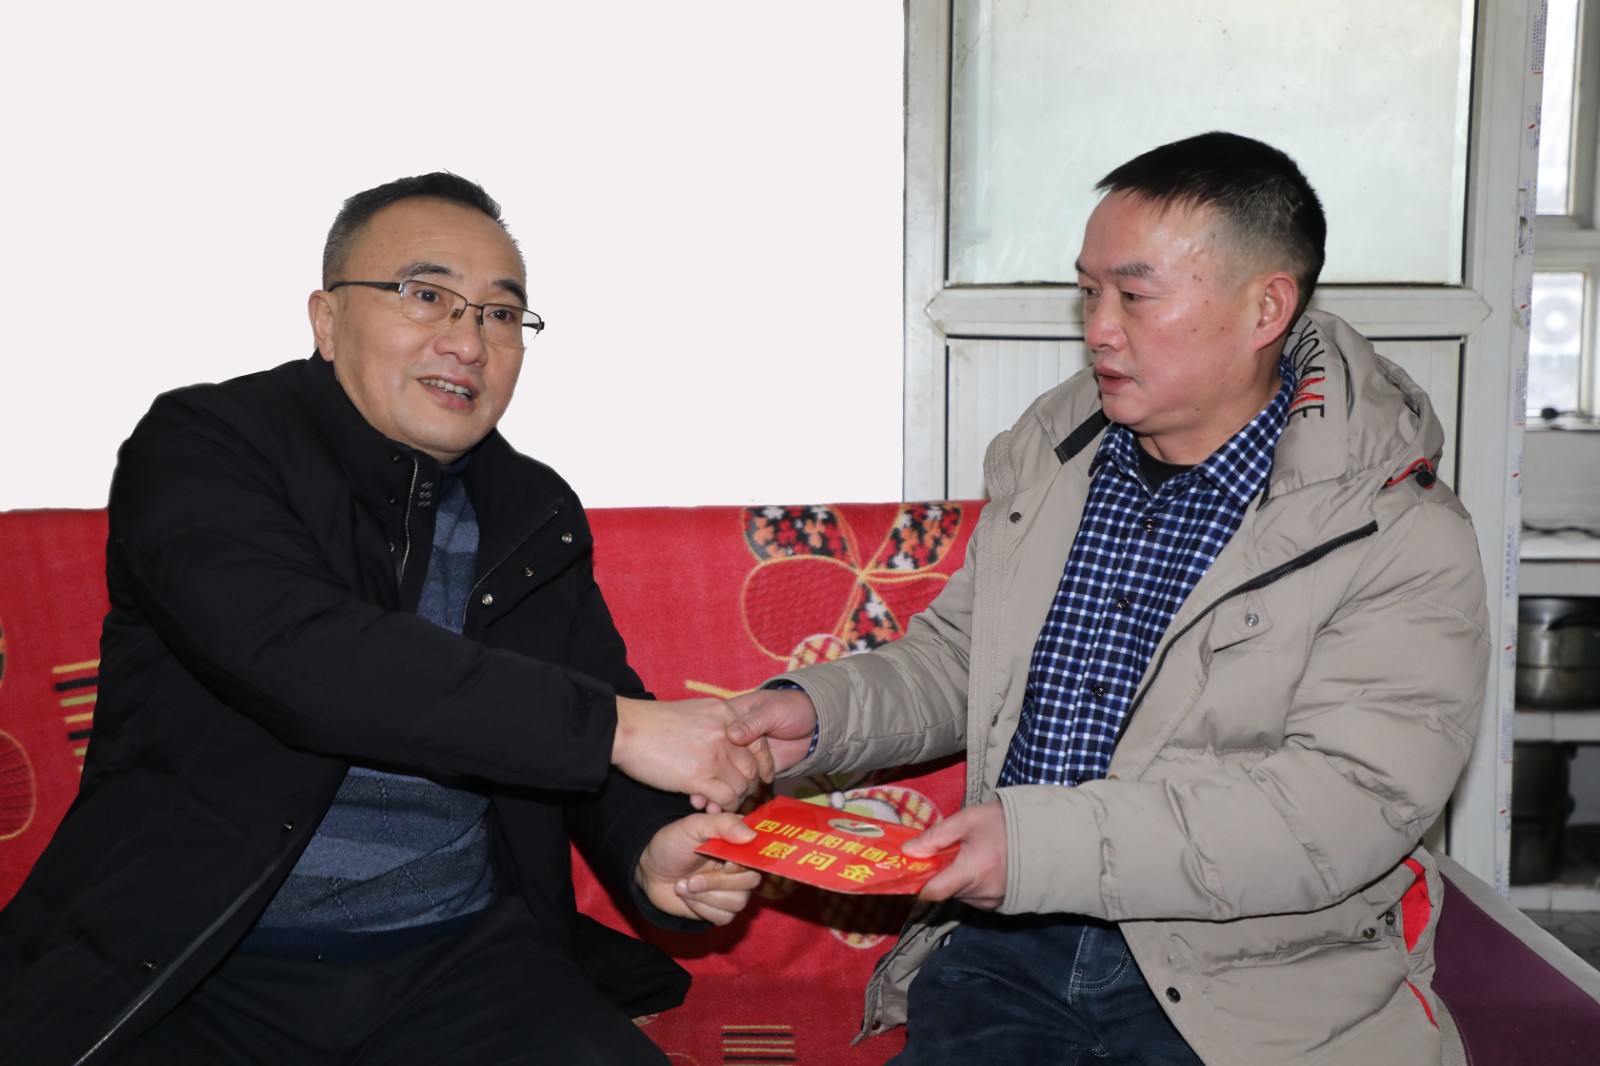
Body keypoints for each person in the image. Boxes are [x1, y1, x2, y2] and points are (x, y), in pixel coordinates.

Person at [728, 132, 1490, 1064]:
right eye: (1088, 292)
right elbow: (966, 662)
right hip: (1011, 946)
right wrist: (816, 717)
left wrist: (1035, 847)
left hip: (1255, 978)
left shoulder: (1396, 529)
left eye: (1135, 295)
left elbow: (1339, 804)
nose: (1098, 328)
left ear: (1265, 307)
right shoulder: (1060, 464)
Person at [0, 172, 768, 1065]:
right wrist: (617, 729)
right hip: (194, 958)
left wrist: (649, 844)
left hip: (458, 959)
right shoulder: (206, 445)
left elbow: (593, 696)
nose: (468, 341)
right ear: (327, 321)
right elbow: (303, 656)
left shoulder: (531, 508)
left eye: (500, 314)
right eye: (426, 295)